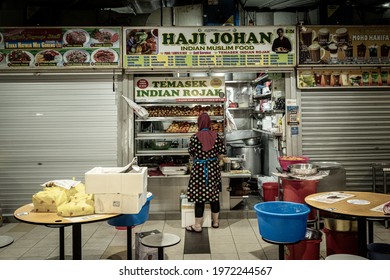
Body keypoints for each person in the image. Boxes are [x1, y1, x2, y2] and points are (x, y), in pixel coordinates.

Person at [186, 112, 226, 232]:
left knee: (199, 197)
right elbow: (221, 155)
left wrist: (200, 160)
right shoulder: (217, 136)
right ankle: (215, 222)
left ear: (199, 123)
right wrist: (214, 161)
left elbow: (192, 156)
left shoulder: (194, 137)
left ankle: (197, 226)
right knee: (214, 196)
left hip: (199, 169)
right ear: (209, 123)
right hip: (213, 169)